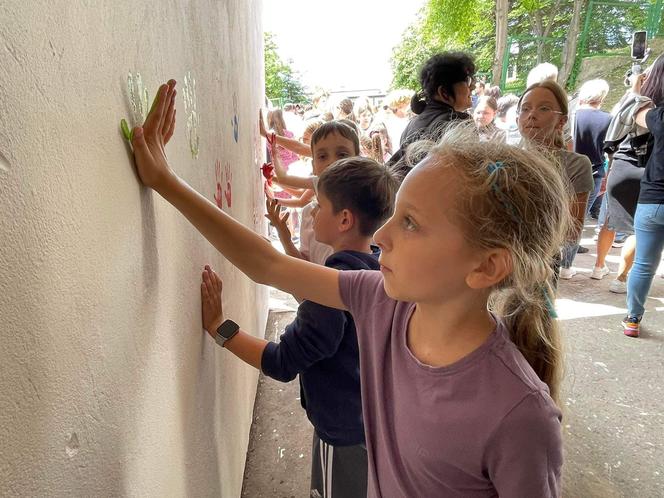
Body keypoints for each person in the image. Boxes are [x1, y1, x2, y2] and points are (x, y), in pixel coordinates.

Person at [129, 81, 569, 496]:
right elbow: (265, 263)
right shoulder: (379, 300)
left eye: (411, 222)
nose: (381, 237)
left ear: (486, 265)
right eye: (395, 214)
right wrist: (165, 180)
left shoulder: (521, 417)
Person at [203, 157, 397, 497]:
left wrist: (220, 328)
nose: (311, 212)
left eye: (318, 205)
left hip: (344, 433)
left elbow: (282, 362)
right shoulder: (376, 265)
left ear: (344, 220)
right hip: (367, 421)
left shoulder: (336, 285)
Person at [592, 60, 661, 293]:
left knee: (609, 222)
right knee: (635, 230)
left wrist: (634, 89)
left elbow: (614, 127)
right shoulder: (654, 111)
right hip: (645, 175)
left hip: (620, 167)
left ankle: (598, 265)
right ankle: (621, 278)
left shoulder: (637, 103)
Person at [517, 81, 594, 280]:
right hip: (496, 257)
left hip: (542, 260)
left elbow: (572, 230)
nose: (531, 115)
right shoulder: (504, 158)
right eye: (525, 109)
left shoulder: (576, 164)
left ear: (561, 121)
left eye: (543, 108)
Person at [271, 120, 361, 264]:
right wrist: (285, 238)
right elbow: (303, 265)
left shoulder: (367, 209)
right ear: (314, 165)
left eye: (342, 154)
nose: (332, 162)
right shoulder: (309, 214)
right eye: (322, 156)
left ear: (358, 159)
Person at [623, 57, 664, 337]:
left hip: (653, 198)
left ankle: (633, 320)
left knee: (644, 264)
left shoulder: (657, 117)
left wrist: (638, 85)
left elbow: (634, 111)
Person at [387, 52, 475, 176]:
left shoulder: (412, 124)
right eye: (467, 80)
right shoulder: (460, 123)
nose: (473, 86)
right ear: (444, 92)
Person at [572, 79, 612, 260]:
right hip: (593, 171)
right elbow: (609, 151)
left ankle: (565, 258)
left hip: (570, 168)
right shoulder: (607, 119)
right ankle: (567, 262)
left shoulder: (572, 116)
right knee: (579, 217)